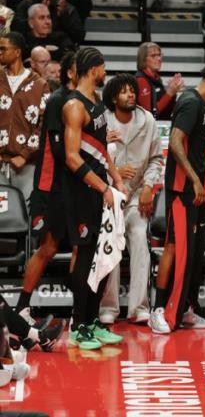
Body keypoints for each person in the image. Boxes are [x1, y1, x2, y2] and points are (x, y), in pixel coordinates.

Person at [151, 63, 205, 334]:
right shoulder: (190, 102)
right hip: (182, 189)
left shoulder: (197, 104)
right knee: (177, 250)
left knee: (193, 256)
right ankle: (160, 310)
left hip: (191, 192)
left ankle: (185, 308)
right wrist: (195, 179)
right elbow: (175, 142)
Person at [63, 47, 126, 350]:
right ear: (93, 70)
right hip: (82, 192)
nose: (105, 71)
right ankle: (77, 325)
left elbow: (101, 148)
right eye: (102, 67)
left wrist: (116, 179)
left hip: (101, 188)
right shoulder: (74, 106)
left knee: (103, 256)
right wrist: (103, 187)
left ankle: (91, 320)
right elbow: (72, 158)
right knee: (86, 257)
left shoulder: (96, 100)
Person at [15, 51, 76, 324]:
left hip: (74, 185)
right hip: (51, 185)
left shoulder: (83, 100)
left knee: (81, 246)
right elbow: (59, 149)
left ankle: (80, 311)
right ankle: (22, 307)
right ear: (71, 72)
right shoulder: (57, 100)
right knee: (48, 248)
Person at [99, 73, 163, 325]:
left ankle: (139, 307)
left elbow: (156, 159)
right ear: (114, 98)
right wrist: (114, 170)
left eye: (132, 90)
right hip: (109, 195)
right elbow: (91, 158)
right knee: (112, 243)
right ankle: (108, 307)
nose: (131, 95)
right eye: (124, 91)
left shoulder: (147, 120)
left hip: (137, 195)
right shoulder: (102, 120)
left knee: (139, 239)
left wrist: (148, 187)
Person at [0, 32, 50, 201]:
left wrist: (24, 154)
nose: (0, 52)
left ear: (17, 52)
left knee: (26, 212)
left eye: (3, 49)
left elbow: (43, 124)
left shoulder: (39, 84)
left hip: (26, 164)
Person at [12, 0, 85, 44]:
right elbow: (17, 29)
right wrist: (39, 13)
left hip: (60, 48)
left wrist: (65, 16)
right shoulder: (26, 5)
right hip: (32, 46)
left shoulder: (67, 8)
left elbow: (79, 37)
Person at [135, 42, 184, 121]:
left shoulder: (156, 79)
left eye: (159, 55)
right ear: (143, 59)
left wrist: (173, 93)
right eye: (153, 55)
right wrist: (169, 93)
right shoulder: (141, 80)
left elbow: (166, 110)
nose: (159, 59)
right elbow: (149, 115)